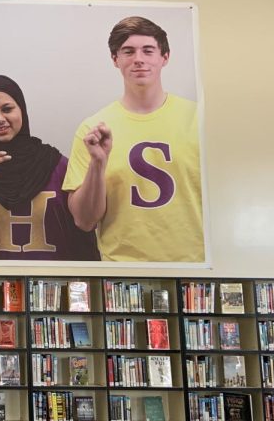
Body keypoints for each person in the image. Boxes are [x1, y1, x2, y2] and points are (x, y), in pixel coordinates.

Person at [63, 16, 203, 262]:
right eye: (128, 51)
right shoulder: (93, 129)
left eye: (148, 50)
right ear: (115, 60)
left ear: (165, 57)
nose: (138, 59)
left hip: (196, 268)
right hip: (122, 274)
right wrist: (98, 163)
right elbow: (84, 221)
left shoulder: (199, 119)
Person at [0, 75, 99, 260]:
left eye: (7, 109)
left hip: (52, 286)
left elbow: (83, 235)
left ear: (22, 110)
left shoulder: (56, 165)